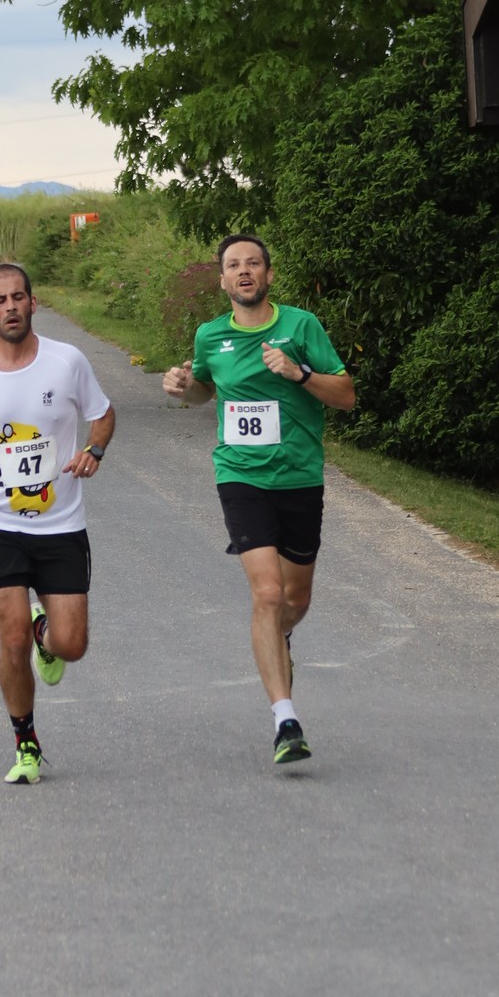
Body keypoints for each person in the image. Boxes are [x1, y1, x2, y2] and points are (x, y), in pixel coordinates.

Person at [162, 234, 355, 769]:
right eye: (233, 265)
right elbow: (203, 389)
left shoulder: (301, 326)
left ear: (268, 275)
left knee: (295, 600)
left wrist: (299, 373)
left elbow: (346, 395)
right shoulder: (210, 335)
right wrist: (182, 386)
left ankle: (279, 636)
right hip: (241, 476)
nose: (243, 271)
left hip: (299, 477)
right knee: (267, 593)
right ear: (222, 280)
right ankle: (285, 721)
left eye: (253, 263)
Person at [0, 261, 116, 786]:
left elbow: (102, 413)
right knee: (10, 638)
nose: (10, 307)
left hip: (60, 523)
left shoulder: (67, 362)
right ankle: (26, 742)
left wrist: (95, 450)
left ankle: (44, 632)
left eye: (18, 297)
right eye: (0, 300)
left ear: (33, 303)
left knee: (71, 645)